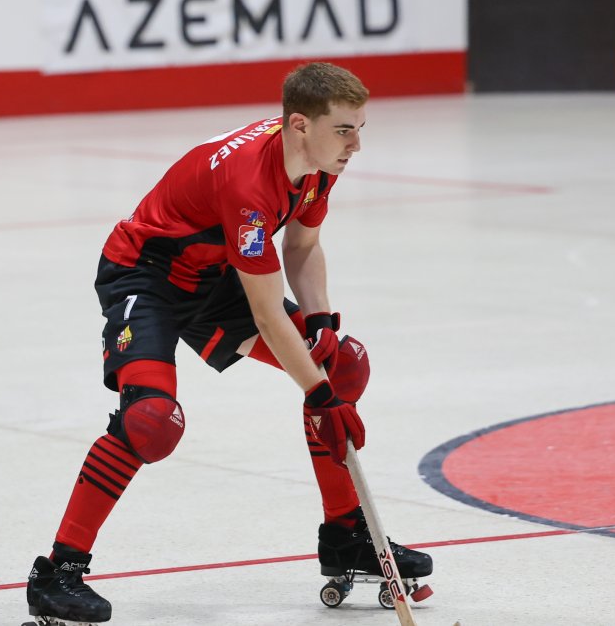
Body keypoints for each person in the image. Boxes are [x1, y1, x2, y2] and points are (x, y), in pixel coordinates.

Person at [25, 62, 432, 624]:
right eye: (345, 130)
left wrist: (322, 324)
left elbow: (303, 246)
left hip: (217, 278)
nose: (356, 145)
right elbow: (267, 316)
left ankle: (346, 536)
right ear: (299, 124)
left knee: (343, 364)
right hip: (148, 275)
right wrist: (319, 396)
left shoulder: (315, 160)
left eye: (361, 128)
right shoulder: (249, 184)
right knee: (151, 421)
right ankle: (57, 571)